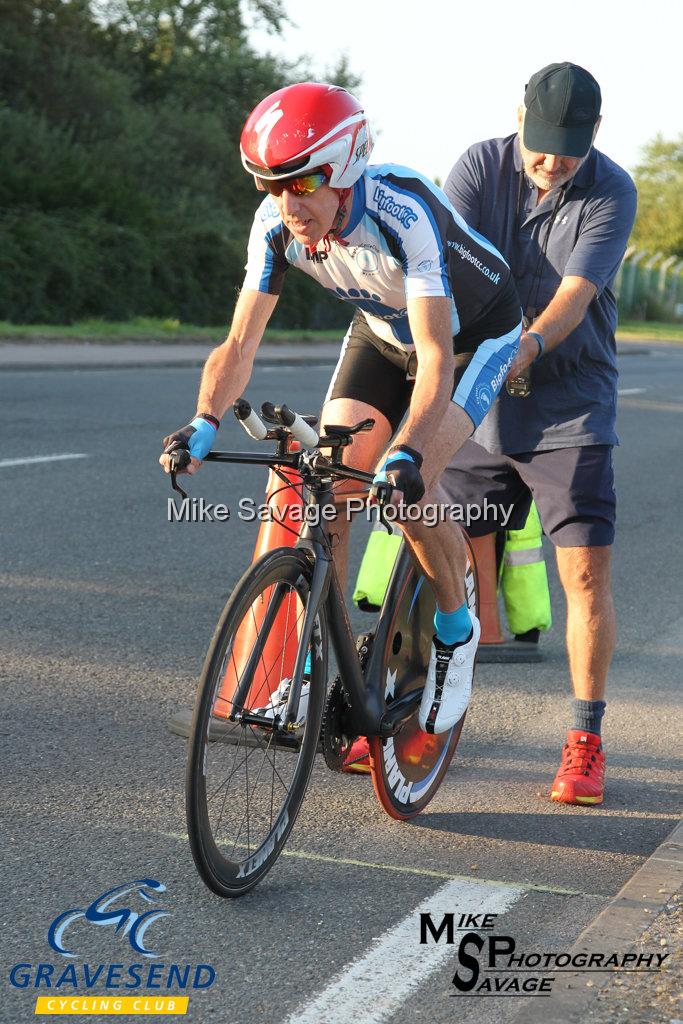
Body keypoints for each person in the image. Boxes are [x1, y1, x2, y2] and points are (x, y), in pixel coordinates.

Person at [160, 82, 522, 752]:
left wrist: (409, 453)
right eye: (271, 187)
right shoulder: (276, 225)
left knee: (410, 486)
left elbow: (437, 364)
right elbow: (239, 343)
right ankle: (302, 672)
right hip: (384, 332)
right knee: (330, 485)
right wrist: (202, 422)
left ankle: (454, 630)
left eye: (301, 186)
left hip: (473, 339)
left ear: (345, 170)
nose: (286, 205)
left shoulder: (402, 211)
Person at [442, 62, 637, 805]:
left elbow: (571, 298)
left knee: (583, 574)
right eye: (540, 143)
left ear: (593, 133)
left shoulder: (610, 189)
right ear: (516, 117)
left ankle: (585, 739)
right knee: (441, 557)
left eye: (568, 147)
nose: (550, 160)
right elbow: (444, 267)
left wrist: (519, 349)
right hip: (476, 399)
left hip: (567, 403)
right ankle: (420, 712)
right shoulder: (475, 167)